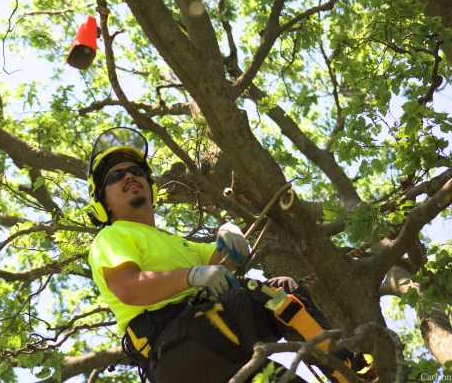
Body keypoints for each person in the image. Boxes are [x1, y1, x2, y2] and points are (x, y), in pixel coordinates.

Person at [87, 127, 366, 383]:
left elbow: (228, 261)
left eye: (136, 171)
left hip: (207, 348)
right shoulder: (111, 237)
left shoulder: (176, 244)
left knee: (278, 379)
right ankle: (350, 372)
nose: (129, 176)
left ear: (151, 186)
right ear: (102, 202)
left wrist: (228, 232)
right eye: (115, 175)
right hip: (177, 346)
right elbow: (129, 288)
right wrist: (193, 275)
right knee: (280, 294)